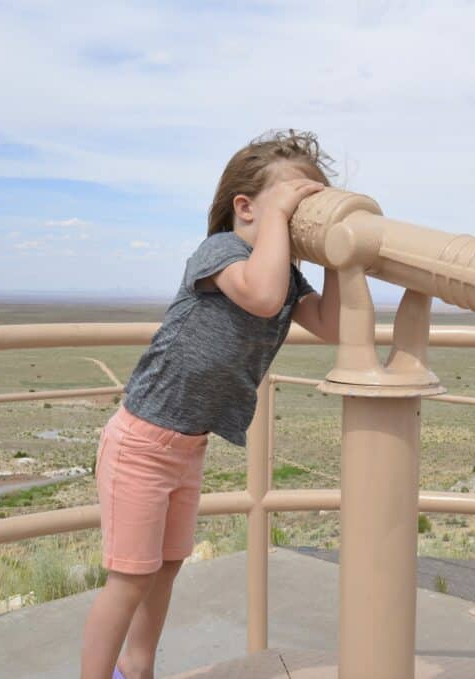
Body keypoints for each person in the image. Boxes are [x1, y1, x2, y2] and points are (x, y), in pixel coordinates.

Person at [80, 130, 340, 679]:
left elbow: (332, 324)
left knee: (167, 566)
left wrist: (340, 253)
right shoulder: (221, 252)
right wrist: (280, 221)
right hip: (142, 441)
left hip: (186, 445)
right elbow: (262, 295)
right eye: (294, 203)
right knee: (130, 576)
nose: (300, 218)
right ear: (245, 208)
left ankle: (138, 666)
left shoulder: (285, 276)